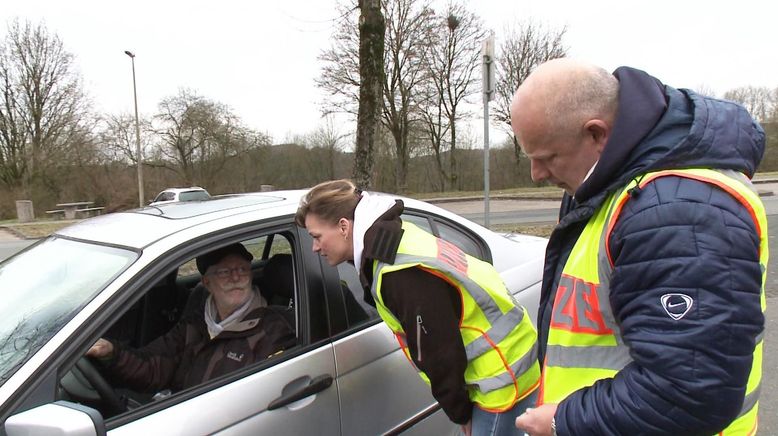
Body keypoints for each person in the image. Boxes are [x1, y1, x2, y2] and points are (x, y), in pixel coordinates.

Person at [510, 59, 767, 435]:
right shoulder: (613, 181)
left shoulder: (678, 213)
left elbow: (688, 391)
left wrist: (563, 420)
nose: (537, 175)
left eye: (547, 157)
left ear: (596, 134)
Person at [295, 180, 540, 436]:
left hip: (498, 384)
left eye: (317, 237)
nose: (314, 247)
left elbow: (439, 353)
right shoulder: (394, 237)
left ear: (344, 227)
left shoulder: (399, 273)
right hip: (510, 363)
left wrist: (461, 414)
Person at [87, 243, 295, 394]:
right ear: (206, 283)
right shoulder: (194, 325)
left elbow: (261, 397)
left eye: (242, 269)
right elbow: (153, 366)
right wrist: (111, 353)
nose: (235, 278)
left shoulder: (274, 329)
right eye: (224, 272)